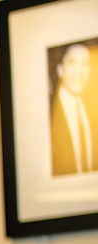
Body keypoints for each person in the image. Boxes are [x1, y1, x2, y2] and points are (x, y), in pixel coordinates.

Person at [50, 42, 94, 176]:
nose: (79, 71)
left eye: (85, 63)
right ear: (60, 70)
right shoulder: (47, 114)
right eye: (72, 62)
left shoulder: (93, 109)